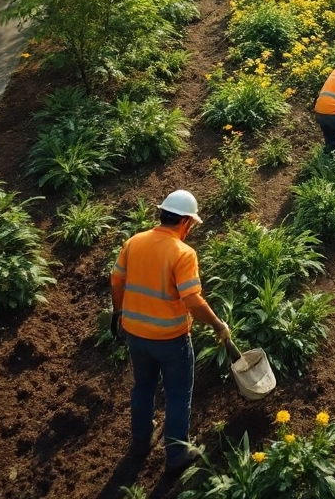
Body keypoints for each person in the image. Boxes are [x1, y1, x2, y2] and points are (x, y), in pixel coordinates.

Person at [110, 190, 230, 472]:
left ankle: (140, 444)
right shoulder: (182, 253)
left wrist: (119, 312)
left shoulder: (134, 242)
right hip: (171, 339)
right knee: (177, 394)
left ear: (162, 214)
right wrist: (218, 325)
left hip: (136, 335)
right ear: (186, 222)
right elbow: (192, 300)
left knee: (143, 387)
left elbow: (116, 280)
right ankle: (176, 456)